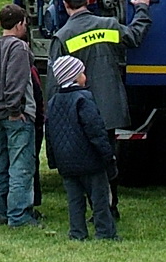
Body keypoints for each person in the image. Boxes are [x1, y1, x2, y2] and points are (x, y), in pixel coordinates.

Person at [48, 0, 153, 214]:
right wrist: (143, 9)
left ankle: (93, 208)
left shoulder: (62, 36)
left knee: (84, 159)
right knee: (108, 156)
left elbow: (55, 80)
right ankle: (110, 206)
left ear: (65, 4)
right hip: (109, 105)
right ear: (87, 1)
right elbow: (135, 36)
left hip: (77, 108)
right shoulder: (109, 25)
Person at [0, 3, 40, 228]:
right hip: (15, 115)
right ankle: (19, 215)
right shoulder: (19, 48)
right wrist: (15, 110)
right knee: (20, 165)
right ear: (20, 23)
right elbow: (16, 81)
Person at [45, 56, 117, 240]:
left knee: (74, 200)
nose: (85, 76)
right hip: (90, 160)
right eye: (82, 72)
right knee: (99, 198)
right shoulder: (84, 98)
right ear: (75, 77)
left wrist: (53, 160)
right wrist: (107, 155)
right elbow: (96, 130)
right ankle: (105, 232)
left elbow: (50, 134)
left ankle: (77, 232)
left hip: (66, 162)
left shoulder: (53, 102)